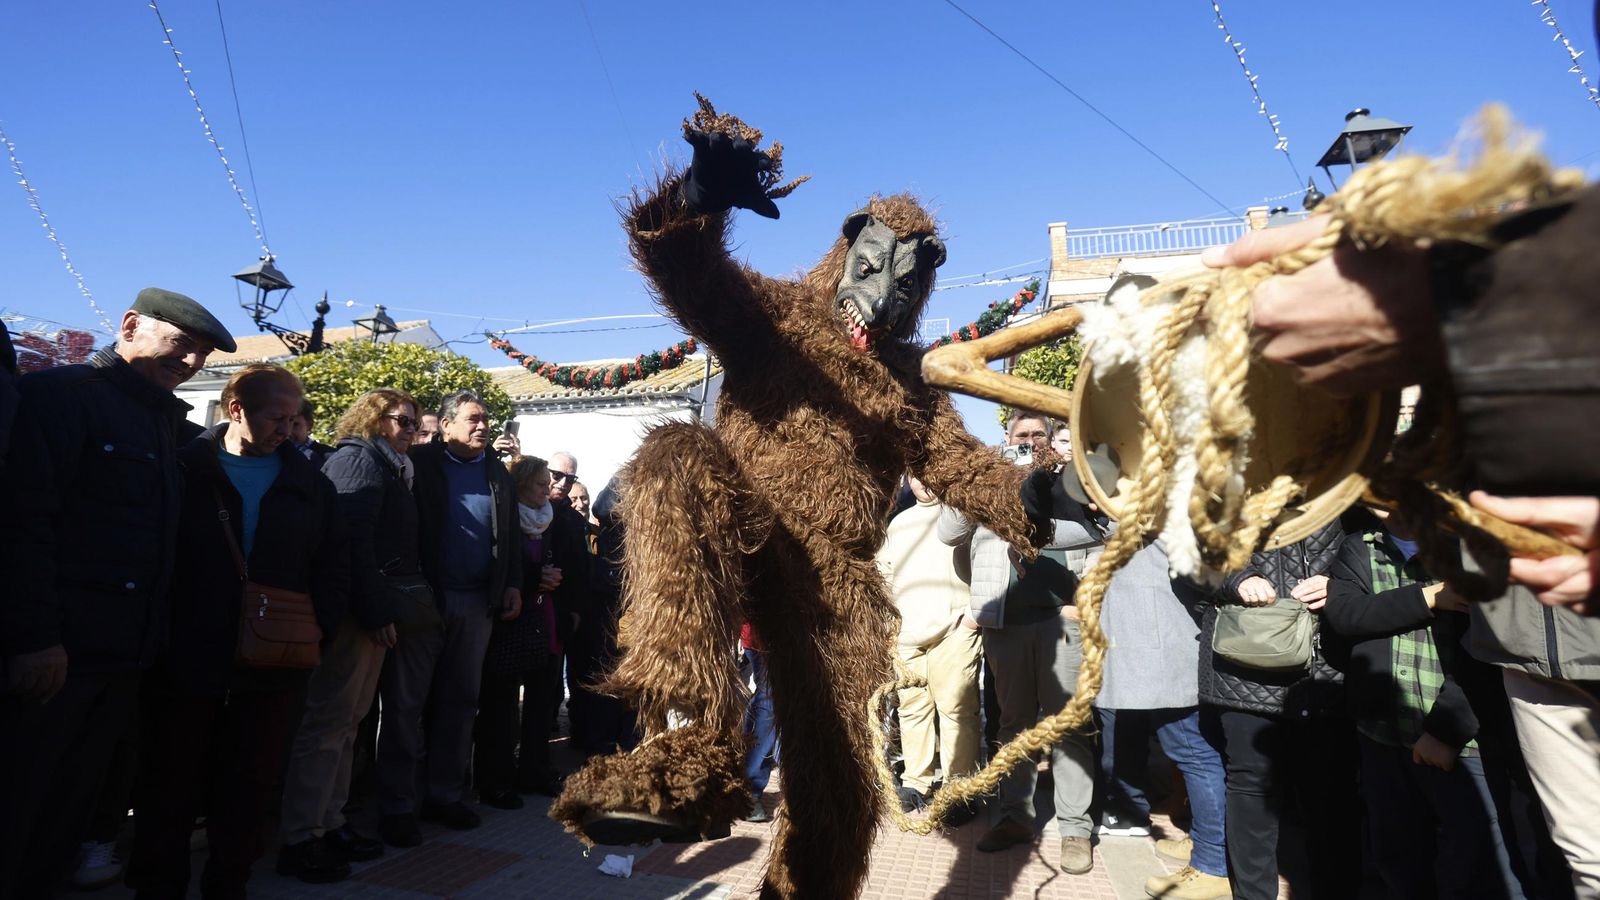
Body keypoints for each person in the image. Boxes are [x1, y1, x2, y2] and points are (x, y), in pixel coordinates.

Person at [0, 288, 234, 900]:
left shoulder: (165, 425)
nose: (189, 363)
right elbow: (24, 524)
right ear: (130, 326)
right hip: (58, 657)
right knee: (18, 807)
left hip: (125, 657)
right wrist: (36, 639)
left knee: (67, 816)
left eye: (202, 355)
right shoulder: (61, 397)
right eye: (180, 344)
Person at [126, 363, 348, 899]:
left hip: (275, 663)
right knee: (170, 784)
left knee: (248, 787)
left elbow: (333, 567)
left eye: (294, 419)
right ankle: (160, 886)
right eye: (277, 417)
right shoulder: (184, 468)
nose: (287, 429)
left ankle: (229, 884)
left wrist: (317, 632)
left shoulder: (309, 484)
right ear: (236, 410)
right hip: (186, 653)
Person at [1324, 509, 1527, 899]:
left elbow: (1488, 654)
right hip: (1383, 737)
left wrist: (1447, 731)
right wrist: (1430, 596)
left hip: (1464, 744)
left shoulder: (1468, 549)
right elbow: (1346, 614)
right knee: (1399, 860)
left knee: (1481, 866)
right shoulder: (1359, 548)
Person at [939, 413, 1102, 876]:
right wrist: (971, 482)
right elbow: (949, 534)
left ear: (1050, 441)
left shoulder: (1072, 479)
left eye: (1037, 435)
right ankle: (1015, 817)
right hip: (1005, 620)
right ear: (1006, 439)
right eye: (1020, 435)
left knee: (1070, 725)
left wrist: (1081, 601)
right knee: (1013, 723)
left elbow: (1097, 538)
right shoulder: (988, 481)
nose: (1028, 442)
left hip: (1062, 619)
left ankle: (1074, 828)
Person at [277, 389, 421, 883]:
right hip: (355, 616)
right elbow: (350, 546)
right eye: (400, 420)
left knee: (349, 724)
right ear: (374, 420)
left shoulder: (389, 465)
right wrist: (375, 608)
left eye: (413, 422)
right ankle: (301, 836)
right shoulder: (358, 462)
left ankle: (330, 822)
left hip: (373, 613)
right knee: (327, 724)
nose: (409, 429)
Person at [378, 390, 521, 845]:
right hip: (423, 602)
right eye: (473, 419)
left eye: (486, 420)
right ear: (445, 423)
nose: (482, 426)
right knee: (405, 705)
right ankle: (398, 805)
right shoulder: (419, 464)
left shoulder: (498, 472)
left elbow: (511, 534)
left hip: (477, 604)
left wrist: (512, 583)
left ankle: (444, 795)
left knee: (460, 705)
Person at [1197, 522, 1363, 900]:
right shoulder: (1224, 478)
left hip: (1328, 662)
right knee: (1250, 788)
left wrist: (1340, 581)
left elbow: (1374, 539)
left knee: (1330, 794)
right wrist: (1236, 577)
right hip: (1249, 656)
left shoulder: (1346, 478)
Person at [1095, 541, 1231, 900]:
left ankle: (1213, 866)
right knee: (1192, 750)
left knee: (1194, 752)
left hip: (1165, 647)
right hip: (1157, 645)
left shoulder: (1162, 500)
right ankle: (1205, 843)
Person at [473, 454, 582, 807]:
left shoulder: (551, 520)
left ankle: (534, 770)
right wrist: (537, 578)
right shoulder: (505, 521)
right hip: (511, 624)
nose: (548, 489)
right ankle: (498, 778)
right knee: (503, 708)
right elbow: (501, 567)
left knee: (541, 703)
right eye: (540, 483)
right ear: (521, 485)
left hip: (545, 622)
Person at [875, 476, 981, 826]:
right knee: (912, 709)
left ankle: (959, 789)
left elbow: (988, 561)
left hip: (955, 628)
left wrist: (972, 618)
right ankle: (916, 782)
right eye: (918, 477)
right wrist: (891, 624)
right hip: (908, 633)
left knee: (957, 709)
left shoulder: (963, 514)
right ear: (908, 478)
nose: (925, 484)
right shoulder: (899, 521)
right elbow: (884, 573)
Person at [740, 622, 779, 823]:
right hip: (764, 637)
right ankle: (750, 791)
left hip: (794, 635)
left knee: (770, 699)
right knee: (769, 701)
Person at [289, 397, 336, 468]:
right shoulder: (270, 455)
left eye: (295, 425)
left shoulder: (329, 457)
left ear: (309, 425)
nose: (287, 432)